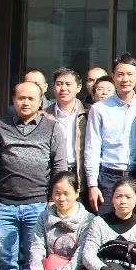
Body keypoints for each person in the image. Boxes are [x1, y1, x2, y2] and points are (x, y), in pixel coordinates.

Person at [0, 82, 69, 270]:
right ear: (13, 100)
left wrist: (53, 200)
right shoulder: (0, 127)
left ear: (40, 102)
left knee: (34, 259)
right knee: (7, 260)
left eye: (31, 98)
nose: (26, 102)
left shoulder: (52, 127)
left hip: (38, 205)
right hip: (4, 205)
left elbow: (59, 166)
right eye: (21, 98)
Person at [85, 53, 136, 213]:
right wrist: (92, 184)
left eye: (130, 74)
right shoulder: (100, 109)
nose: (125, 79)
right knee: (106, 223)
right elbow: (92, 148)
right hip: (108, 177)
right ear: (113, 76)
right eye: (120, 74)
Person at [47, 67, 88, 195]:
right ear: (53, 87)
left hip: (80, 175)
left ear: (79, 87)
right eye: (59, 84)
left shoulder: (89, 113)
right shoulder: (43, 116)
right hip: (52, 174)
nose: (63, 88)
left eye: (68, 84)